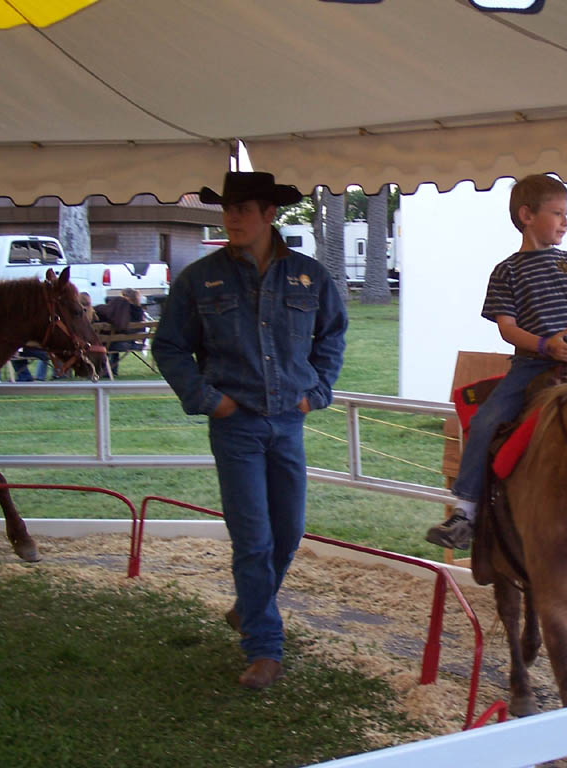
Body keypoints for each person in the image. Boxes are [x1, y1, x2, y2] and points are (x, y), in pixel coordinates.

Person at [152, 171, 347, 690]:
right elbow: (168, 346)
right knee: (253, 538)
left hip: (288, 421)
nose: (232, 219)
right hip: (235, 425)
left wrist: (316, 392)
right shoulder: (199, 279)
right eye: (227, 210)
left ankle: (250, 605)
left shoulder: (308, 276)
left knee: (289, 531)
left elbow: (332, 336)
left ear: (269, 214)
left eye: (242, 210)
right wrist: (208, 400)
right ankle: (264, 648)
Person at [425, 174, 567, 550]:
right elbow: (507, 328)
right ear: (527, 215)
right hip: (532, 365)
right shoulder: (508, 271)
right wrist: (546, 345)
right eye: (557, 213)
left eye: (566, 213)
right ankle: (465, 511)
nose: (565, 222)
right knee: (486, 421)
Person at [96, 287, 145, 376]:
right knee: (114, 340)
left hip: (118, 344)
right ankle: (113, 370)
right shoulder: (139, 311)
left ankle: (107, 371)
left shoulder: (120, 311)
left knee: (108, 342)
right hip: (134, 344)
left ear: (125, 297)